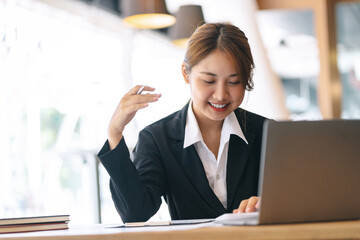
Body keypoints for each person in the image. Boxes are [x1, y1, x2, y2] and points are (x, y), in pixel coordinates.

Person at [98, 22, 265, 223]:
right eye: (209, 81)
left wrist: (269, 204)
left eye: (233, 82)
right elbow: (136, 212)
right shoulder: (157, 139)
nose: (221, 95)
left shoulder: (267, 132)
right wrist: (115, 132)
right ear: (186, 73)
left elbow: (297, 199)